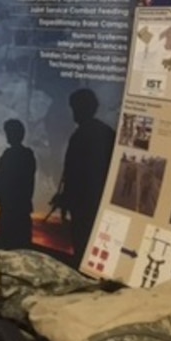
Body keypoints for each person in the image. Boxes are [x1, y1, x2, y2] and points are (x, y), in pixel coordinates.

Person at [60, 88, 116, 267]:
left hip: (85, 206)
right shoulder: (106, 132)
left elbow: (76, 174)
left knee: (83, 248)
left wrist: (67, 198)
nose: (73, 112)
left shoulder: (81, 135)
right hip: (96, 204)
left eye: (74, 107)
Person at [0, 119, 36, 250]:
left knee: (8, 244)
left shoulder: (10, 155)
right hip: (20, 209)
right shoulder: (27, 155)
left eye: (9, 132)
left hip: (11, 210)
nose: (7, 135)